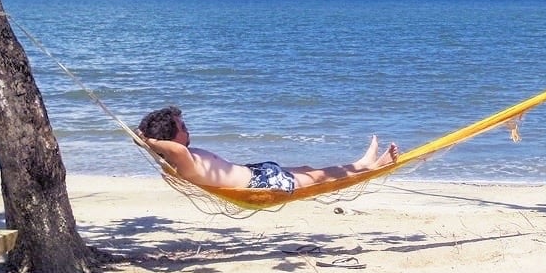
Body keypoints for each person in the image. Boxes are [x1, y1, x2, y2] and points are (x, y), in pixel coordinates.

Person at [136, 105, 399, 194]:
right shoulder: (183, 162)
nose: (187, 127)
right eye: (182, 126)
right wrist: (149, 142)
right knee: (318, 178)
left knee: (310, 170)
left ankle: (364, 163)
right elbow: (175, 152)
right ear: (169, 138)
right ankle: (371, 167)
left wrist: (150, 142)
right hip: (262, 185)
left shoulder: (184, 157)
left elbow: (174, 150)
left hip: (258, 172)